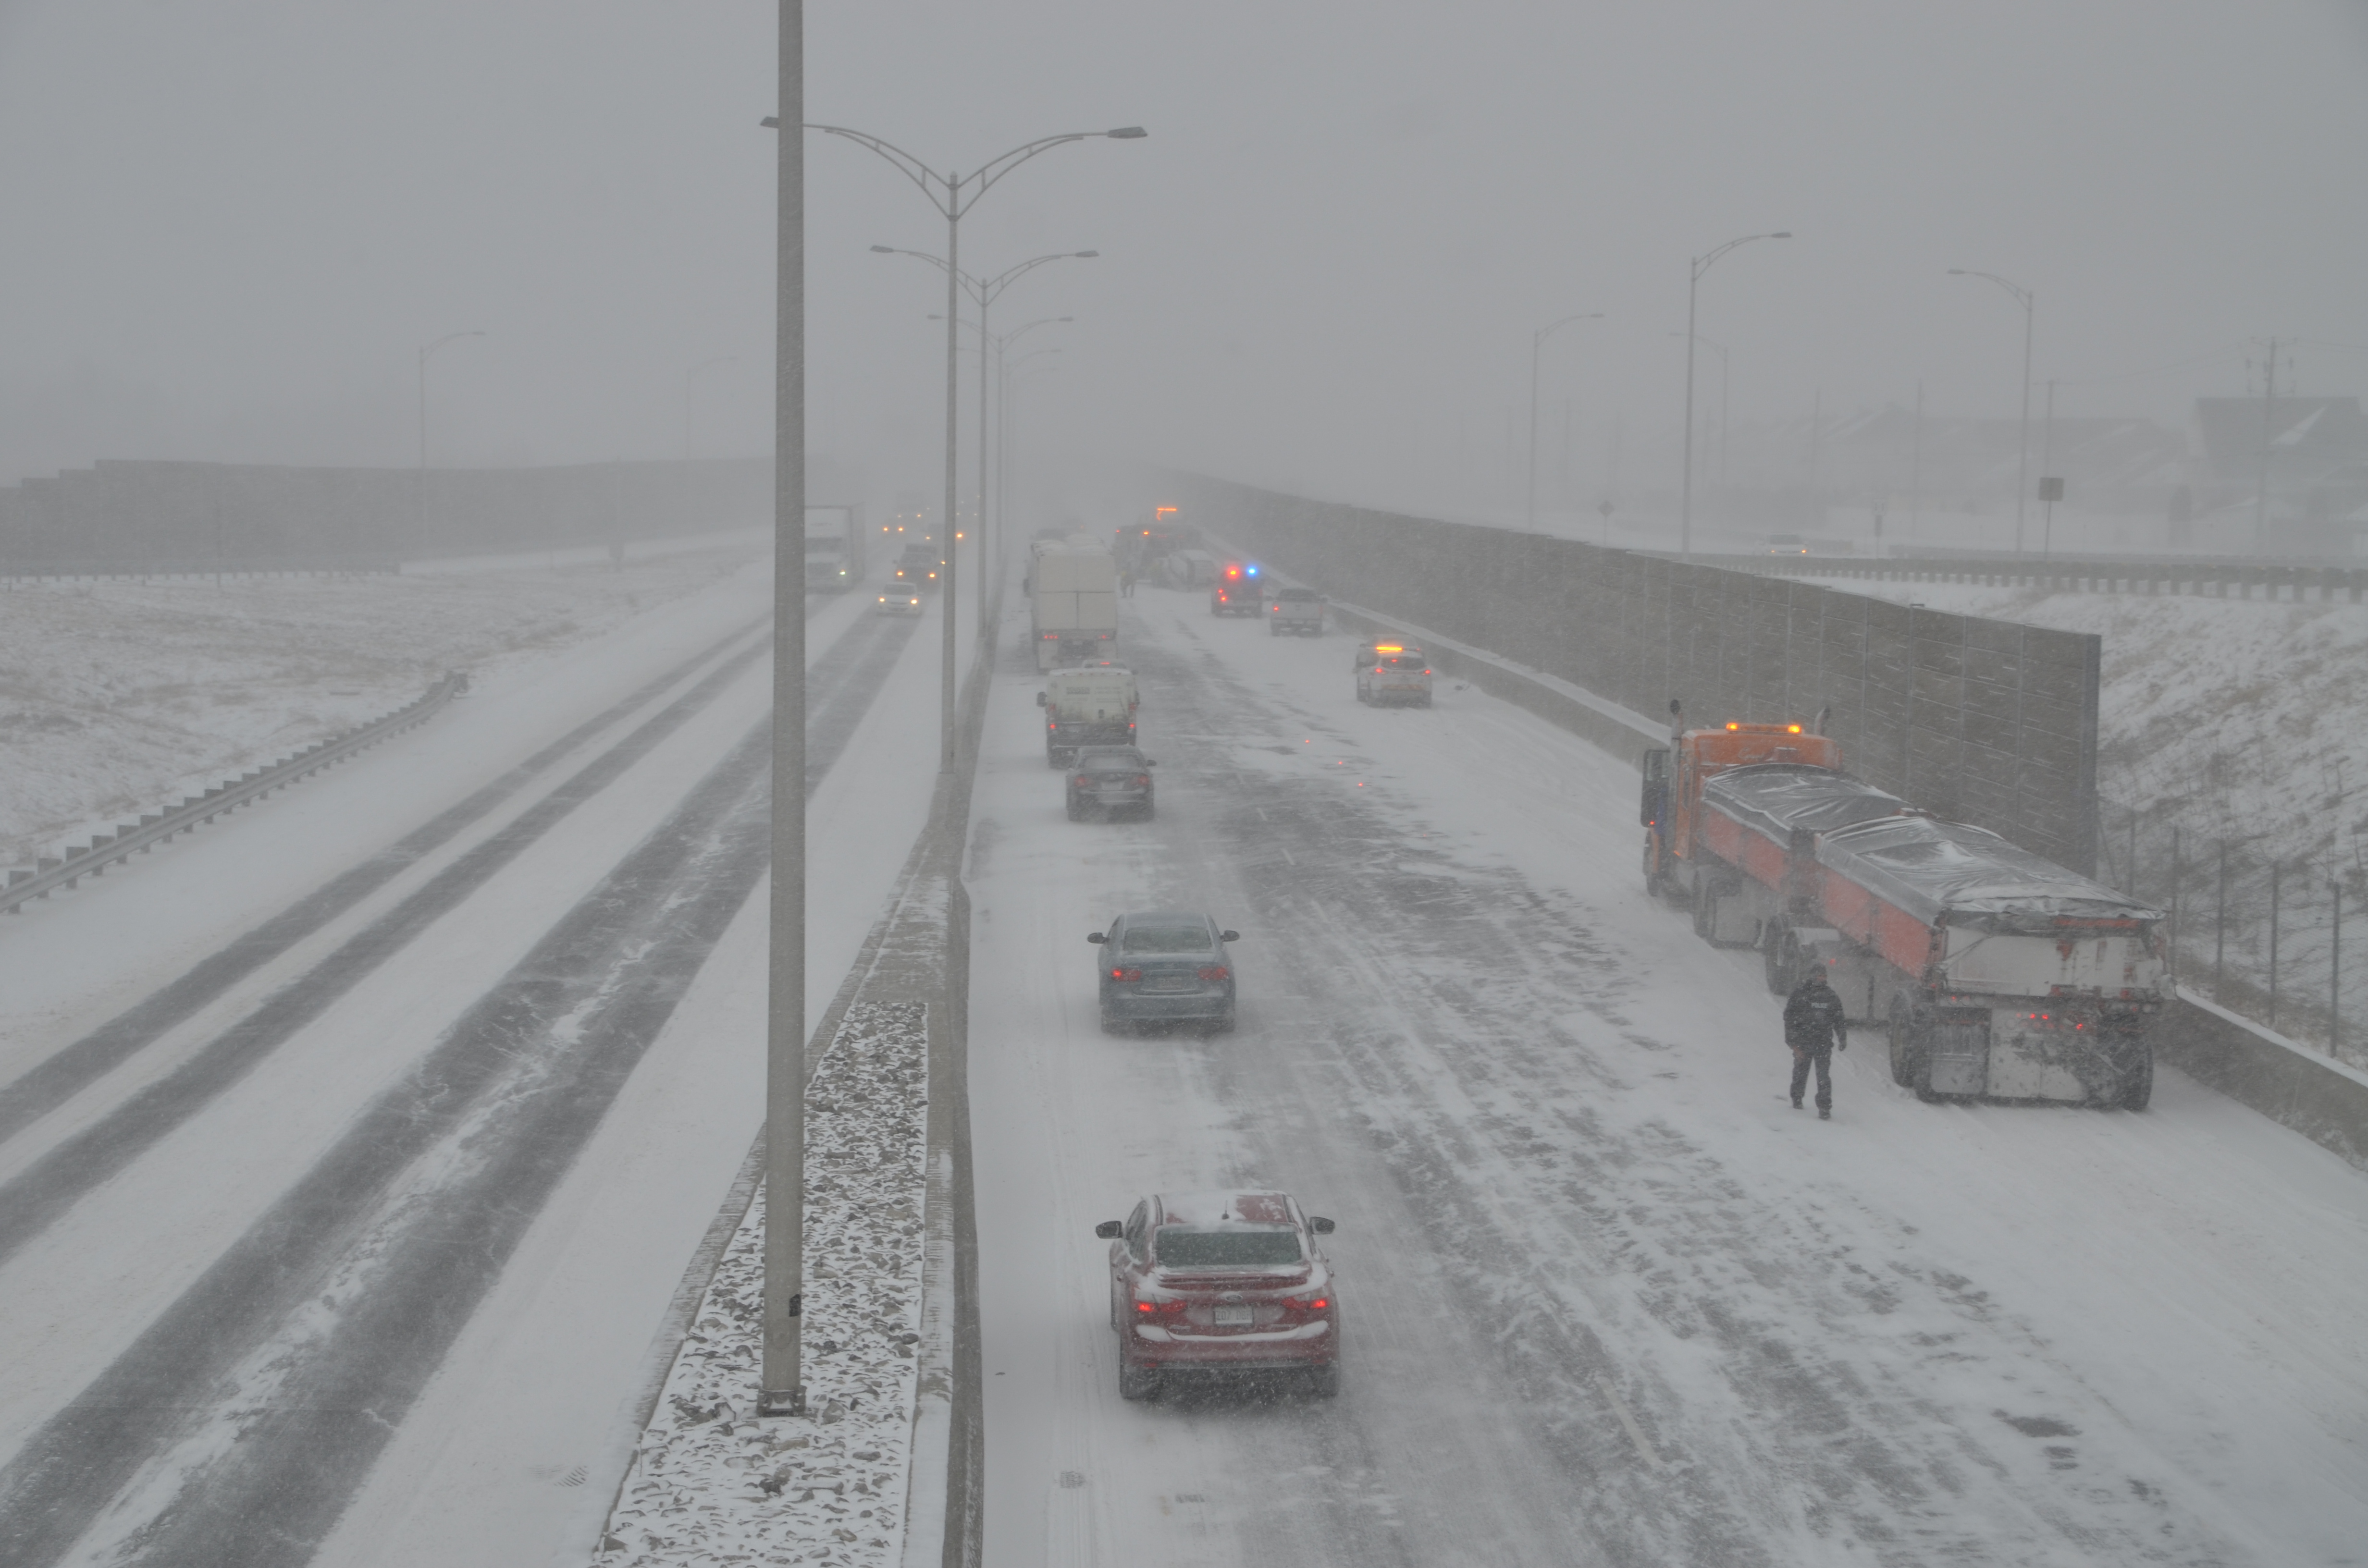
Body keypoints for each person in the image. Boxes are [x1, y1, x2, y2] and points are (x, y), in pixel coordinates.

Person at [1783, 970, 1849, 1119]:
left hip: (1823, 1043)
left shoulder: (1831, 996)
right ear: (1812, 976)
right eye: (1820, 975)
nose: (1822, 979)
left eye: (1825, 976)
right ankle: (1797, 1098)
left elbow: (1839, 1019)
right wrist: (1793, 1042)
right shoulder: (1800, 994)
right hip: (1803, 1042)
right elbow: (1789, 1018)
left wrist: (1842, 1037)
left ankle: (1825, 1108)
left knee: (1823, 1076)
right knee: (1801, 1072)